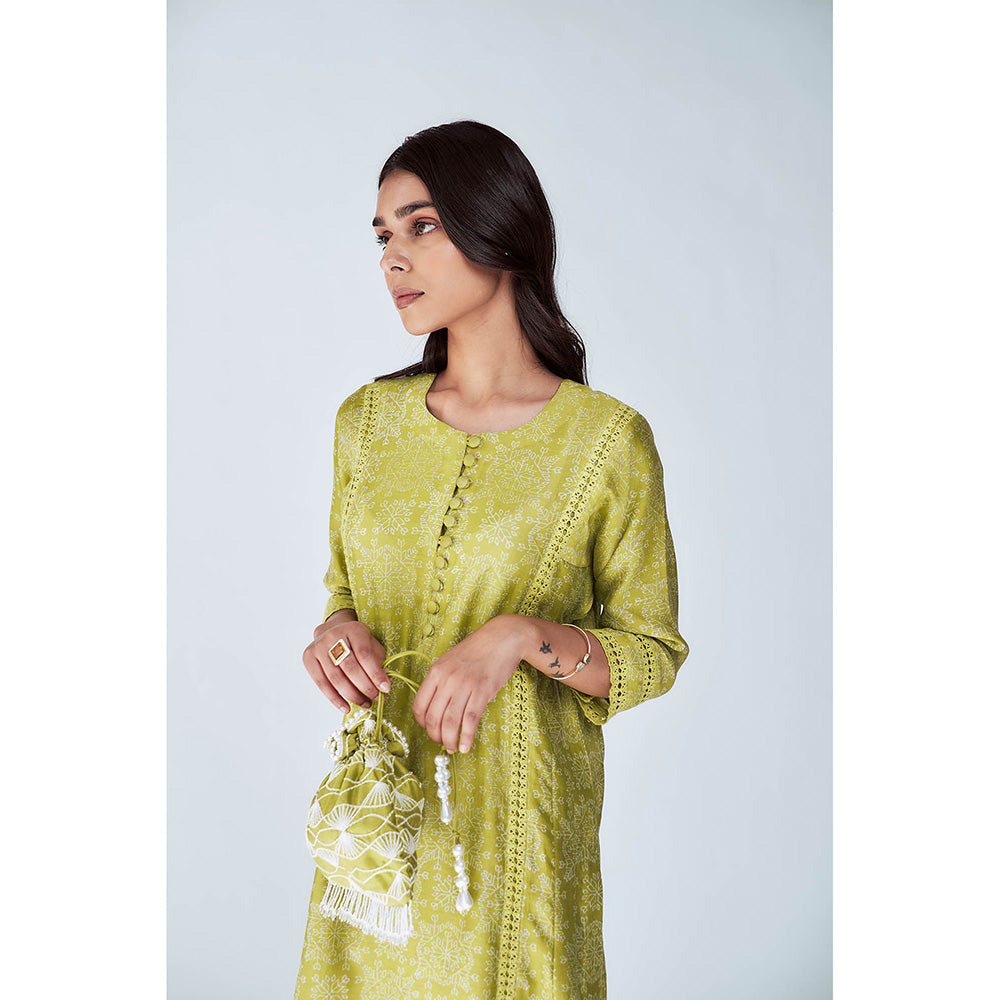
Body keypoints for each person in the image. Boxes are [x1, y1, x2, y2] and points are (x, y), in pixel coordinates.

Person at [294, 120, 690, 1000]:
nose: (393, 258)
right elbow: (344, 593)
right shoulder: (366, 425)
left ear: (499, 228)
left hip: (517, 854)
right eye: (382, 237)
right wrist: (334, 637)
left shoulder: (605, 443)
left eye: (421, 225)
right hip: (378, 853)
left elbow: (651, 653)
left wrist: (518, 635)